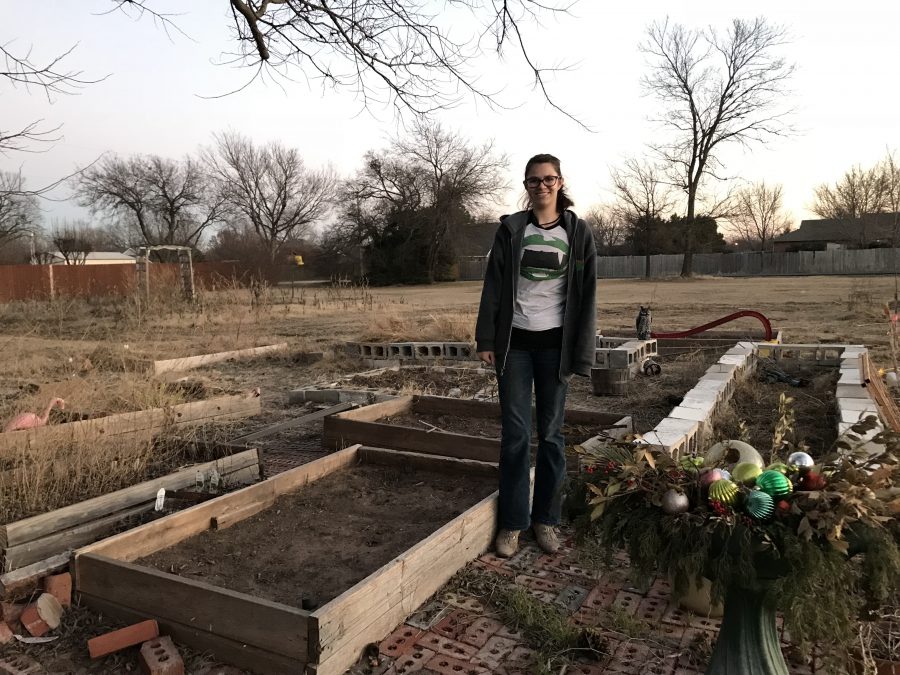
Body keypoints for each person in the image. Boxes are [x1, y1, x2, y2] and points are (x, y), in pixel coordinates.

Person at [475, 153, 597, 557]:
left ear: (560, 182)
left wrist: (582, 351)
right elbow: (493, 286)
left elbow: (587, 295)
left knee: (551, 436)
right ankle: (512, 524)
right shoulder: (512, 230)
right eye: (533, 180)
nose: (541, 185)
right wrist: (487, 340)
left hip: (554, 347)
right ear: (526, 186)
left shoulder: (577, 233)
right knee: (514, 436)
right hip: (515, 345)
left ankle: (546, 520)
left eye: (548, 179)